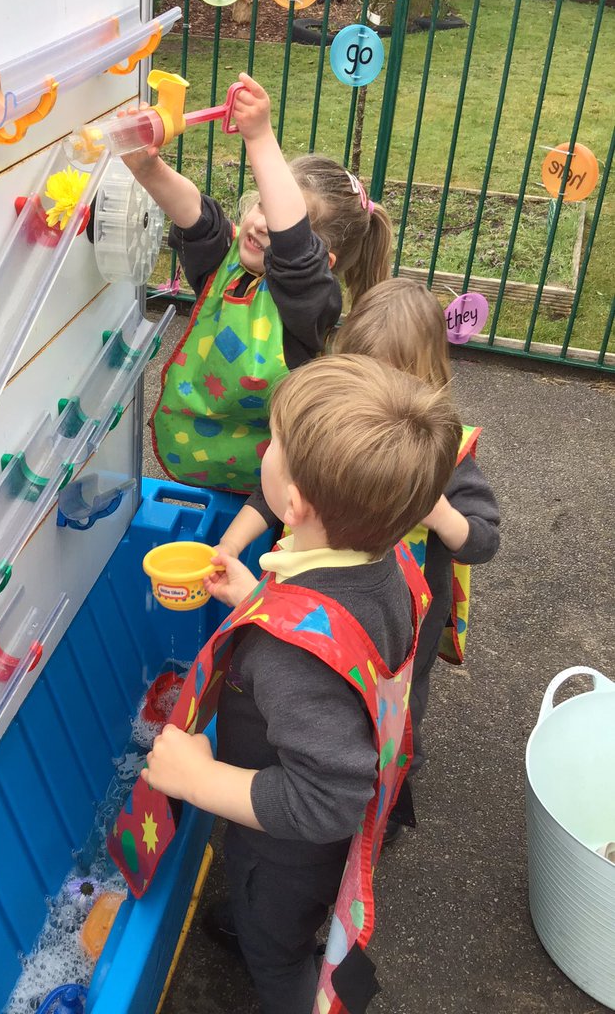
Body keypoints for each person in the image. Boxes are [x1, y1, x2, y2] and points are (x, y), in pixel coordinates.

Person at [122, 354, 462, 1014]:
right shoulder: (382, 558)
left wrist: (198, 779)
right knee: (279, 912)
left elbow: (325, 800)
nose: (264, 449)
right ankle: (270, 922)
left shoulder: (289, 659)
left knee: (275, 952)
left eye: (273, 442)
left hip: (287, 851)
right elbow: (343, 639)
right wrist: (257, 595)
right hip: (317, 845)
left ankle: (276, 952)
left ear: (294, 502)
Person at [121, 71, 393, 495]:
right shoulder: (225, 259)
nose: (264, 224)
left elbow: (292, 248)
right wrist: (148, 168)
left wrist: (260, 138)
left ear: (322, 263)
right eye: (261, 205)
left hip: (276, 478)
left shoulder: (312, 301)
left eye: (280, 219)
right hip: (200, 452)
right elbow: (197, 214)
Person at [331, 277, 501, 775]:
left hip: (413, 615)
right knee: (339, 681)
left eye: (390, 380)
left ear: (427, 378)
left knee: (401, 694)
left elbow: (483, 541)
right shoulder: (341, 425)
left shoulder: (445, 453)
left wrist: (441, 512)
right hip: (344, 592)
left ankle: (397, 769)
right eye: (362, 377)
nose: (374, 397)